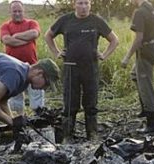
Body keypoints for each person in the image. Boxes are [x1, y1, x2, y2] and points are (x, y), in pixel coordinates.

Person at [45, 0, 119, 140]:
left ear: (91, 4)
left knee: (91, 102)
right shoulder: (65, 20)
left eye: (86, 3)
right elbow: (48, 35)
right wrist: (56, 52)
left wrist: (104, 55)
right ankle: (67, 136)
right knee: (70, 103)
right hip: (71, 67)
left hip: (90, 68)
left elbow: (114, 40)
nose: (83, 7)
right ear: (74, 4)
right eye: (80, 3)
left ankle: (92, 135)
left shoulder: (96, 21)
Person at [120, 0, 154, 134]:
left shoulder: (139, 12)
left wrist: (127, 57)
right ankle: (145, 108)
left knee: (146, 86)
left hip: (145, 51)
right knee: (135, 75)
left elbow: (138, 38)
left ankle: (152, 122)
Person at [0, 1, 45, 116]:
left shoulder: (32, 23)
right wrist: (26, 40)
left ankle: (39, 116)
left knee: (36, 92)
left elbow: (34, 34)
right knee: (15, 95)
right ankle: (19, 118)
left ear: (23, 11)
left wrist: (16, 36)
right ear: (10, 12)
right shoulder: (5, 26)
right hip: (13, 67)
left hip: (32, 65)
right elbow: (7, 40)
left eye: (19, 11)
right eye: (15, 11)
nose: (17, 13)